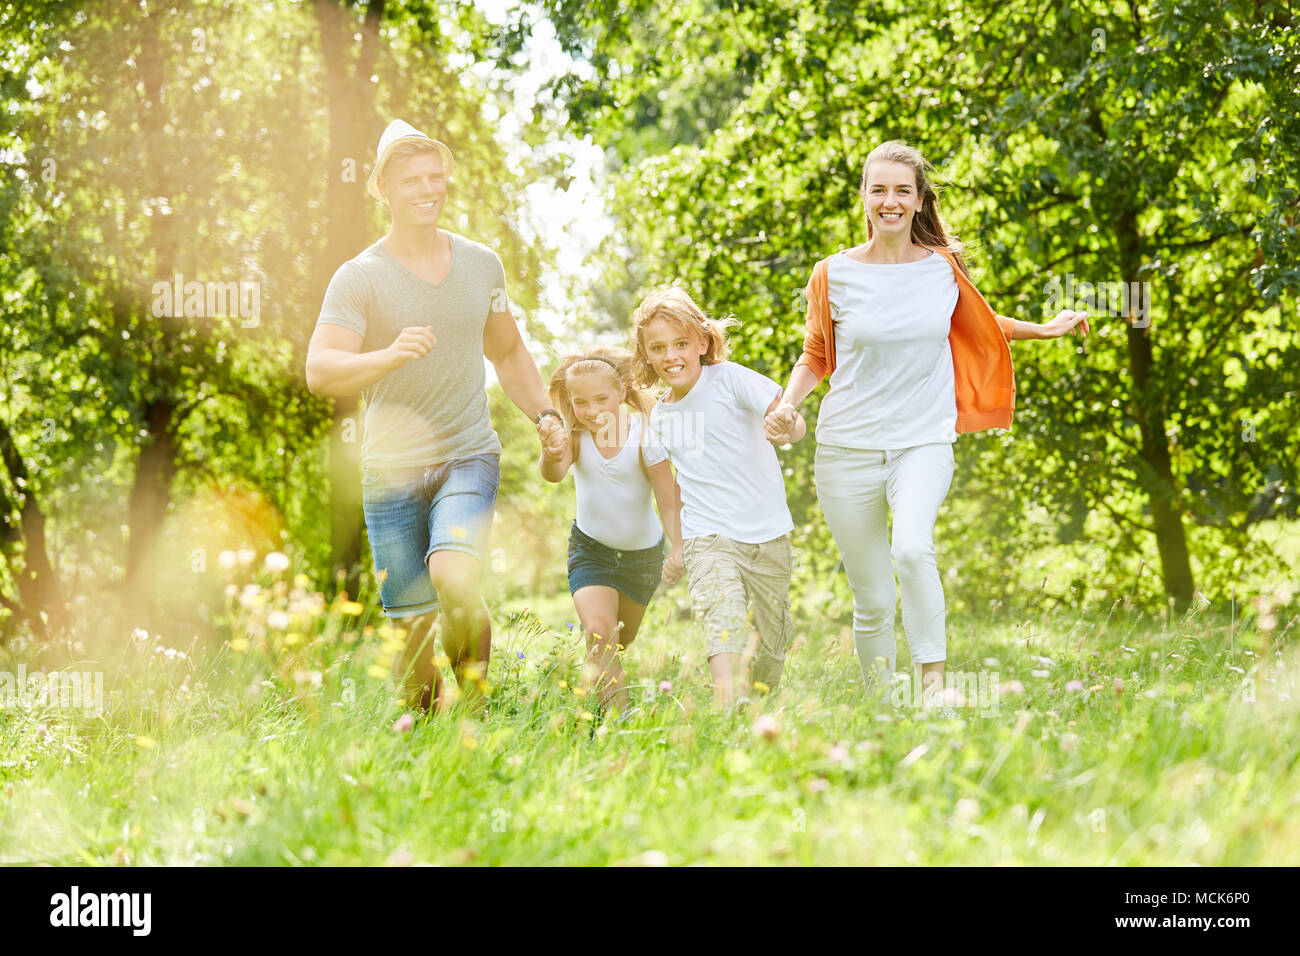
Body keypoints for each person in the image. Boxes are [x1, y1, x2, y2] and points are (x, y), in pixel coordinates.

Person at [765, 139, 1089, 705]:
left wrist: (1047, 327)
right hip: (845, 447)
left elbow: (983, 324)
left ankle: (934, 692)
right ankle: (881, 705)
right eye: (879, 189)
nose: (890, 201)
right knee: (872, 599)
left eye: (902, 191)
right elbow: (817, 352)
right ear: (864, 197)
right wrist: (787, 403)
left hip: (923, 439)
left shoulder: (941, 268)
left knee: (913, 549)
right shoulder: (831, 274)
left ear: (919, 201)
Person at [305, 119, 564, 713]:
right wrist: (388, 354)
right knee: (413, 635)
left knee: (454, 576)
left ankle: (476, 708)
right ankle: (427, 737)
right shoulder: (360, 276)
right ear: (383, 189)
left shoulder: (481, 265)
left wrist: (543, 412)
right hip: (390, 471)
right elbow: (321, 370)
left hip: (467, 452)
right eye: (412, 180)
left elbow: (506, 350)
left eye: (435, 177)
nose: (428, 189)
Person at [633, 287, 806, 707]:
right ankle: (728, 708)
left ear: (702, 342)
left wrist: (789, 426)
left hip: (767, 532)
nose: (671, 355)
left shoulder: (729, 379)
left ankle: (761, 693)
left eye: (680, 343)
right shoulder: (659, 416)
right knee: (723, 621)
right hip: (707, 537)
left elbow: (787, 417)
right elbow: (667, 490)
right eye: (658, 348)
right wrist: (677, 543)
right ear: (647, 356)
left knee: (773, 638)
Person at [538, 347, 684, 716]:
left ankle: (583, 708)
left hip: (643, 559)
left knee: (617, 643)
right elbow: (553, 474)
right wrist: (551, 453)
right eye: (580, 402)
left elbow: (668, 500)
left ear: (621, 392)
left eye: (601, 399)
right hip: (591, 552)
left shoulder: (645, 435)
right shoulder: (574, 436)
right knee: (600, 634)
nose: (591, 410)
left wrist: (679, 547)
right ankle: (619, 726)